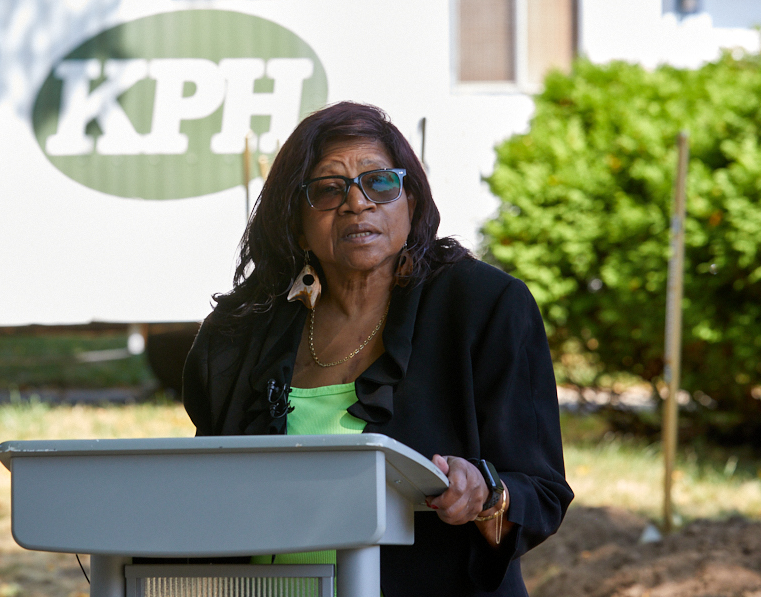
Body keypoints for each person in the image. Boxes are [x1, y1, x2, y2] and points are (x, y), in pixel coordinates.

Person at [182, 102, 572, 597]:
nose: (357, 203)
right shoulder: (242, 331)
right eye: (328, 189)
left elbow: (541, 491)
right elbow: (202, 489)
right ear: (296, 222)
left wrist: (485, 493)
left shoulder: (483, 308)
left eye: (380, 183)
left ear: (410, 202)